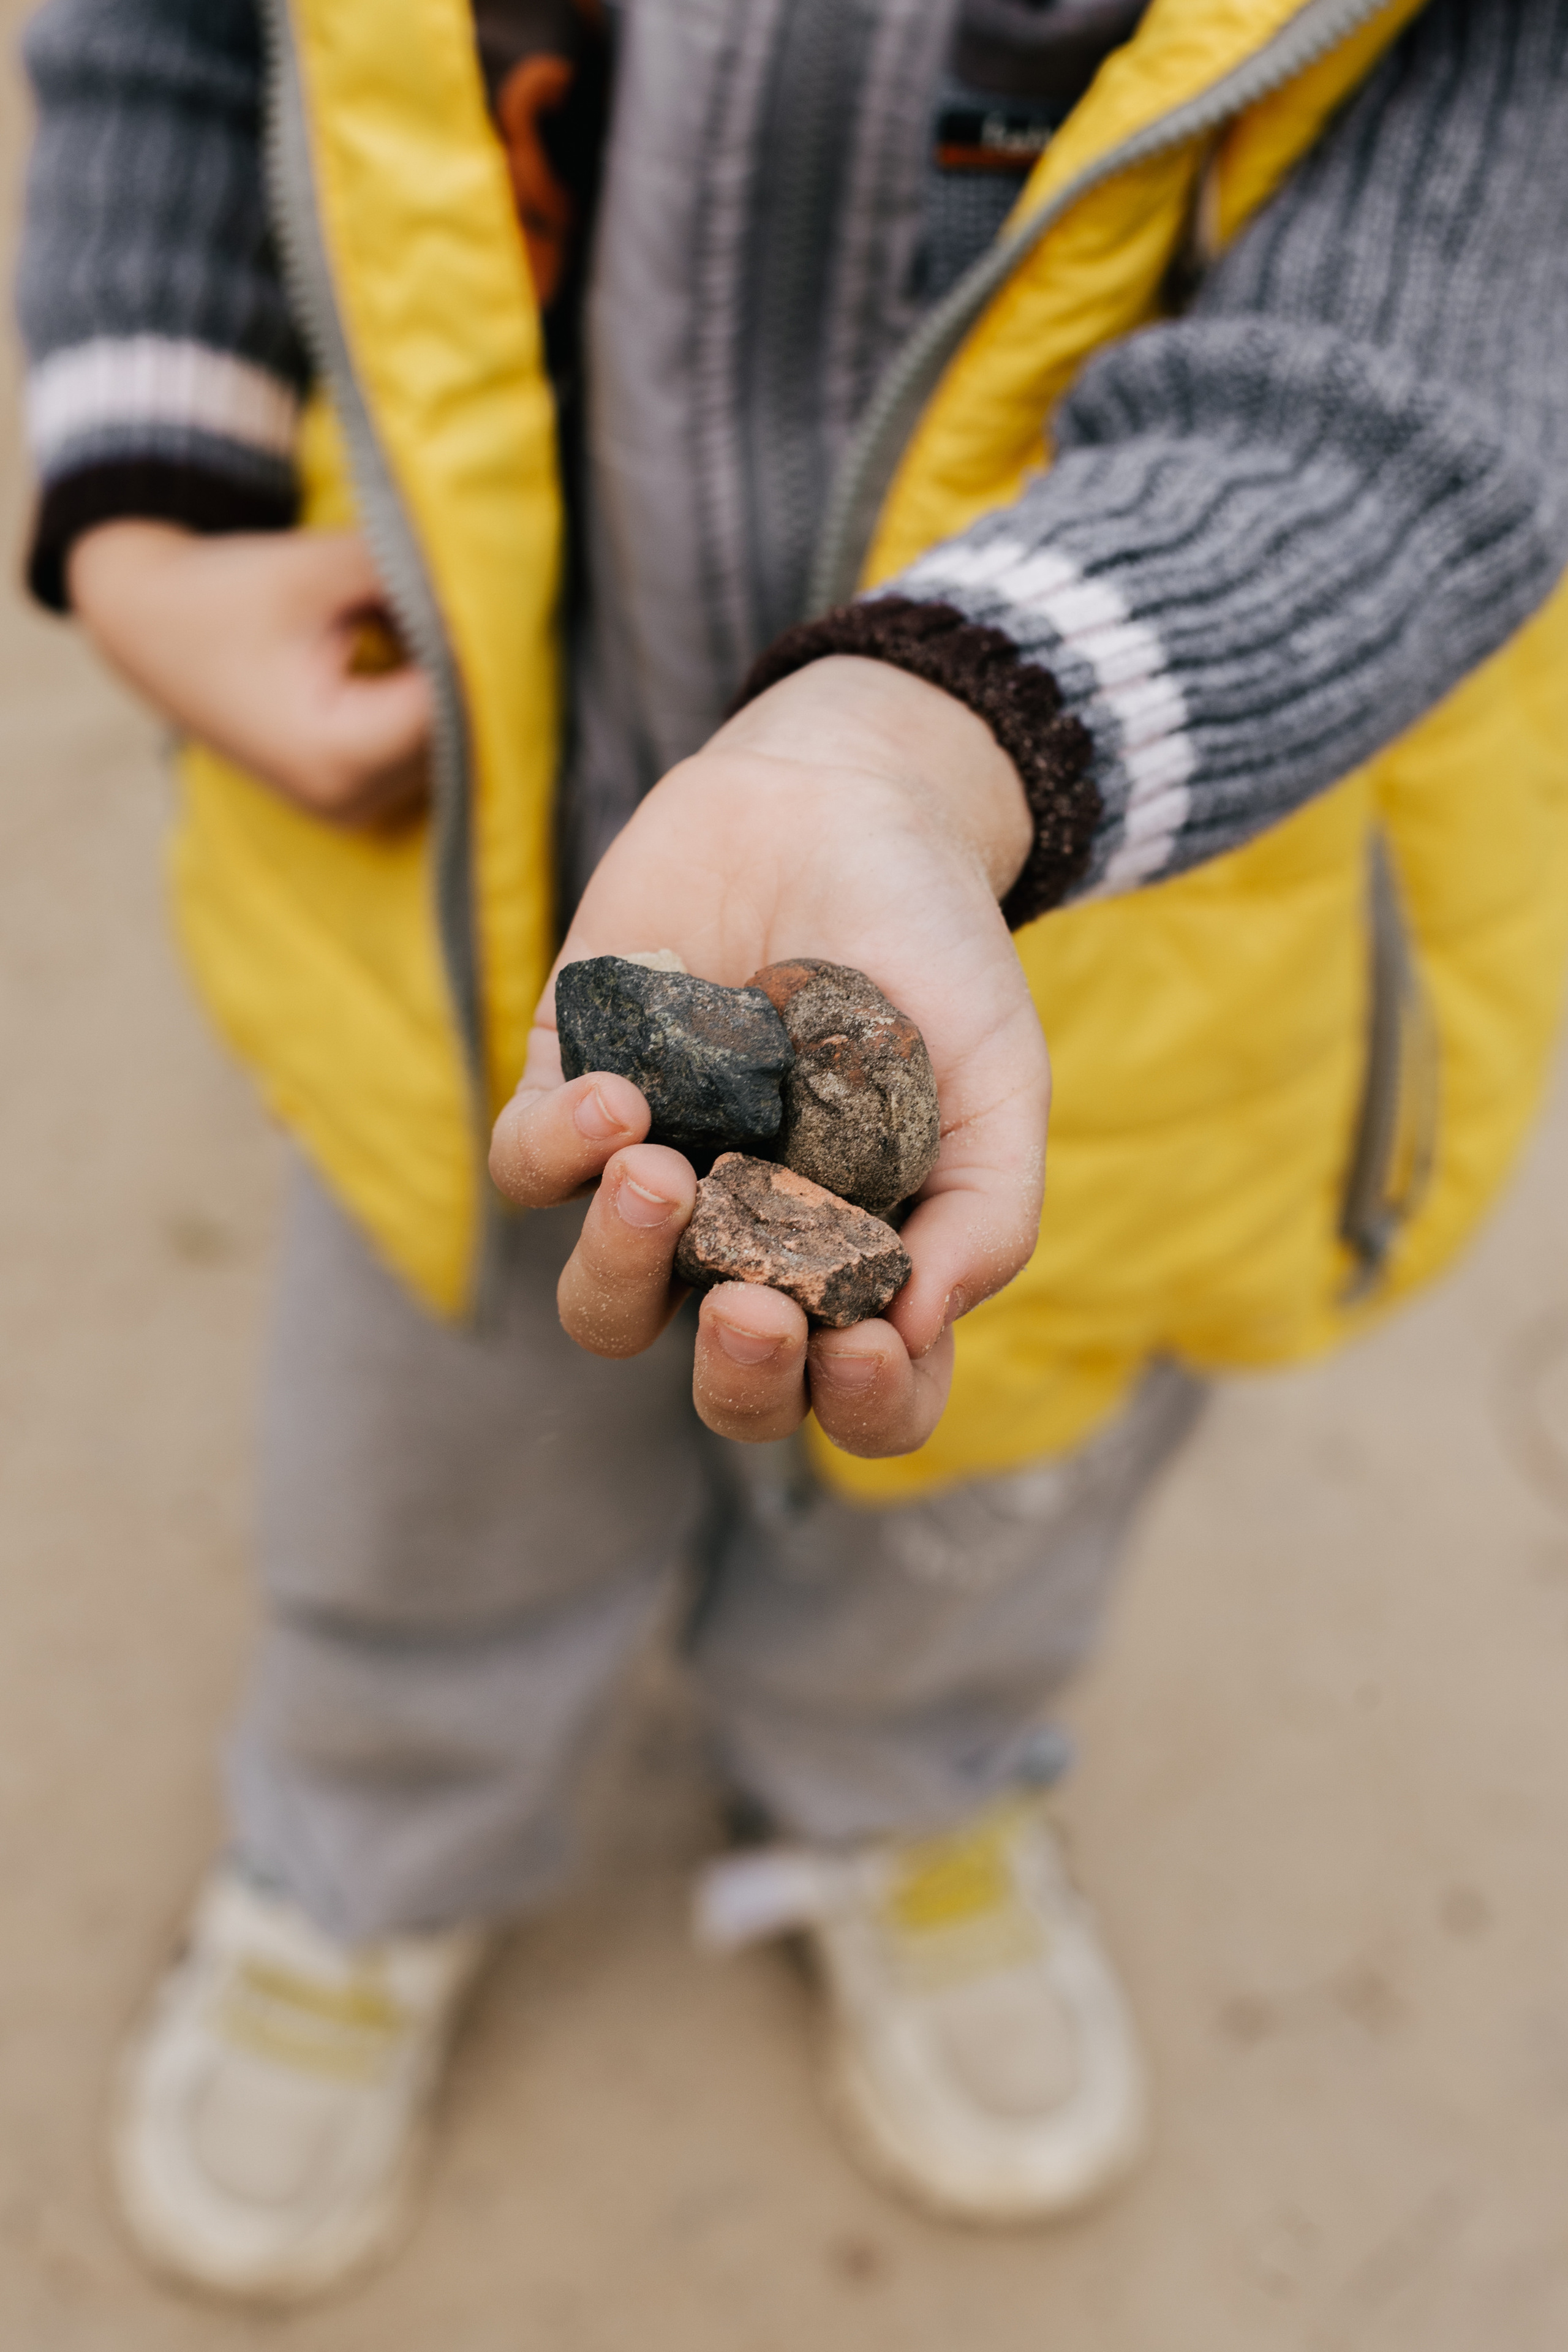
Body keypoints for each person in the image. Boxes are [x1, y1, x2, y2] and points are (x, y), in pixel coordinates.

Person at [17, 0, 1568, 2304]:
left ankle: (905, 1788)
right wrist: (148, 506)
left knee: (980, 1492)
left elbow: (1421, 377)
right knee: (430, 1476)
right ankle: (370, 1846)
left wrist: (935, 744)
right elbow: (172, 42)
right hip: (470, 914)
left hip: (1128, 939)